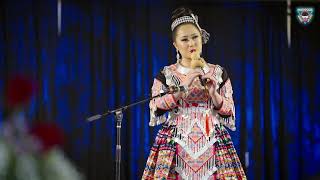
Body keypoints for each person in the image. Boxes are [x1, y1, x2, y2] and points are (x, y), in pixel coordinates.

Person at [142, 7, 246, 180]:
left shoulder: (217, 72)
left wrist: (214, 94)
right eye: (184, 39)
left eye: (195, 37)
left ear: (201, 38)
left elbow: (229, 110)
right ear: (175, 44)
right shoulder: (167, 73)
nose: (191, 43)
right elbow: (155, 106)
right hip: (176, 143)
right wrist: (181, 88)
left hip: (212, 142)